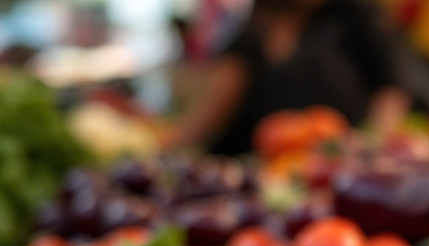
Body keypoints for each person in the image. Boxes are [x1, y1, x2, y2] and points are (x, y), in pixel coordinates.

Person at [169, 0, 410, 155]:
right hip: (263, 167)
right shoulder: (254, 28)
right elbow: (218, 99)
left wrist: (372, 145)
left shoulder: (355, 14)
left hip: (338, 159)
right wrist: (172, 147)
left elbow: (391, 88)